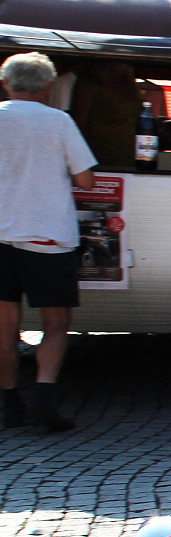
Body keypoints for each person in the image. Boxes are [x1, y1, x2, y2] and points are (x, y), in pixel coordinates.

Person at [0, 52, 99, 432]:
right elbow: (86, 180)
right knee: (56, 321)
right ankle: (42, 402)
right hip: (46, 235)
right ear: (47, 88)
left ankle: (10, 402)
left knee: (5, 323)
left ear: (6, 83)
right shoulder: (59, 121)